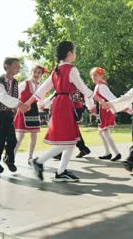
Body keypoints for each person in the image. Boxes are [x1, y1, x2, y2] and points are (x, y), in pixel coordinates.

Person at [26, 41, 101, 182]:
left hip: (61, 104)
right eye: (75, 51)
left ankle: (61, 172)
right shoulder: (71, 69)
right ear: (69, 53)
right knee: (68, 141)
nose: (76, 54)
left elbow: (41, 91)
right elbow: (84, 89)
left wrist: (28, 103)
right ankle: (39, 161)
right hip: (64, 105)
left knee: (72, 140)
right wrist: (101, 101)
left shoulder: (56, 71)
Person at [0, 57, 26, 178]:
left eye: (19, 66)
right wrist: (19, 104)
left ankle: (8, 159)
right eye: (15, 66)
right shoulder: (0, 81)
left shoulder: (15, 83)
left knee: (12, 140)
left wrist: (19, 105)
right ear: (6, 66)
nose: (18, 68)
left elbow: (14, 98)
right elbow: (2, 96)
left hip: (7, 114)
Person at [13, 65, 45, 163]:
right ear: (31, 72)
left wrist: (42, 105)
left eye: (39, 73)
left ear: (41, 75)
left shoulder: (40, 86)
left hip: (34, 112)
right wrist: (19, 105)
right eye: (35, 72)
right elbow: (14, 95)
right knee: (20, 137)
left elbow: (40, 100)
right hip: (24, 111)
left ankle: (30, 157)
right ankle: (11, 156)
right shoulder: (24, 84)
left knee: (34, 136)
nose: (36, 74)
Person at [90, 67, 121, 161]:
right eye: (92, 75)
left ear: (101, 76)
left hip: (105, 111)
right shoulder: (99, 85)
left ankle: (116, 153)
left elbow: (111, 97)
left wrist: (120, 105)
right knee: (101, 132)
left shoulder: (101, 86)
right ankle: (108, 153)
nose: (93, 77)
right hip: (102, 111)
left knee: (105, 132)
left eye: (96, 75)